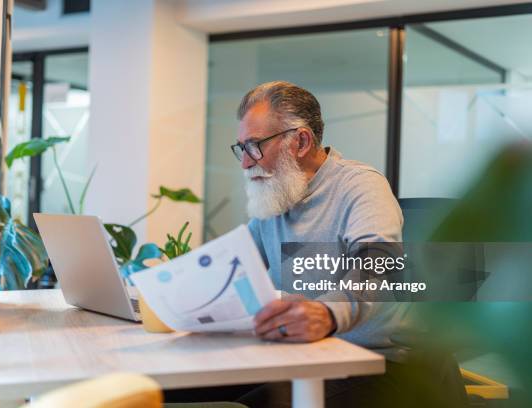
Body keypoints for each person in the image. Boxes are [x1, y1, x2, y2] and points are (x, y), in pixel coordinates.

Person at [165, 81, 468, 408]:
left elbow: (378, 263)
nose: (245, 162)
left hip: (384, 364)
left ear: (300, 141)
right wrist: (167, 290)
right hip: (310, 355)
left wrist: (327, 312)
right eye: (241, 148)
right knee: (169, 391)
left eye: (254, 146)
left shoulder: (361, 185)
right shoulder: (277, 197)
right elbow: (232, 264)